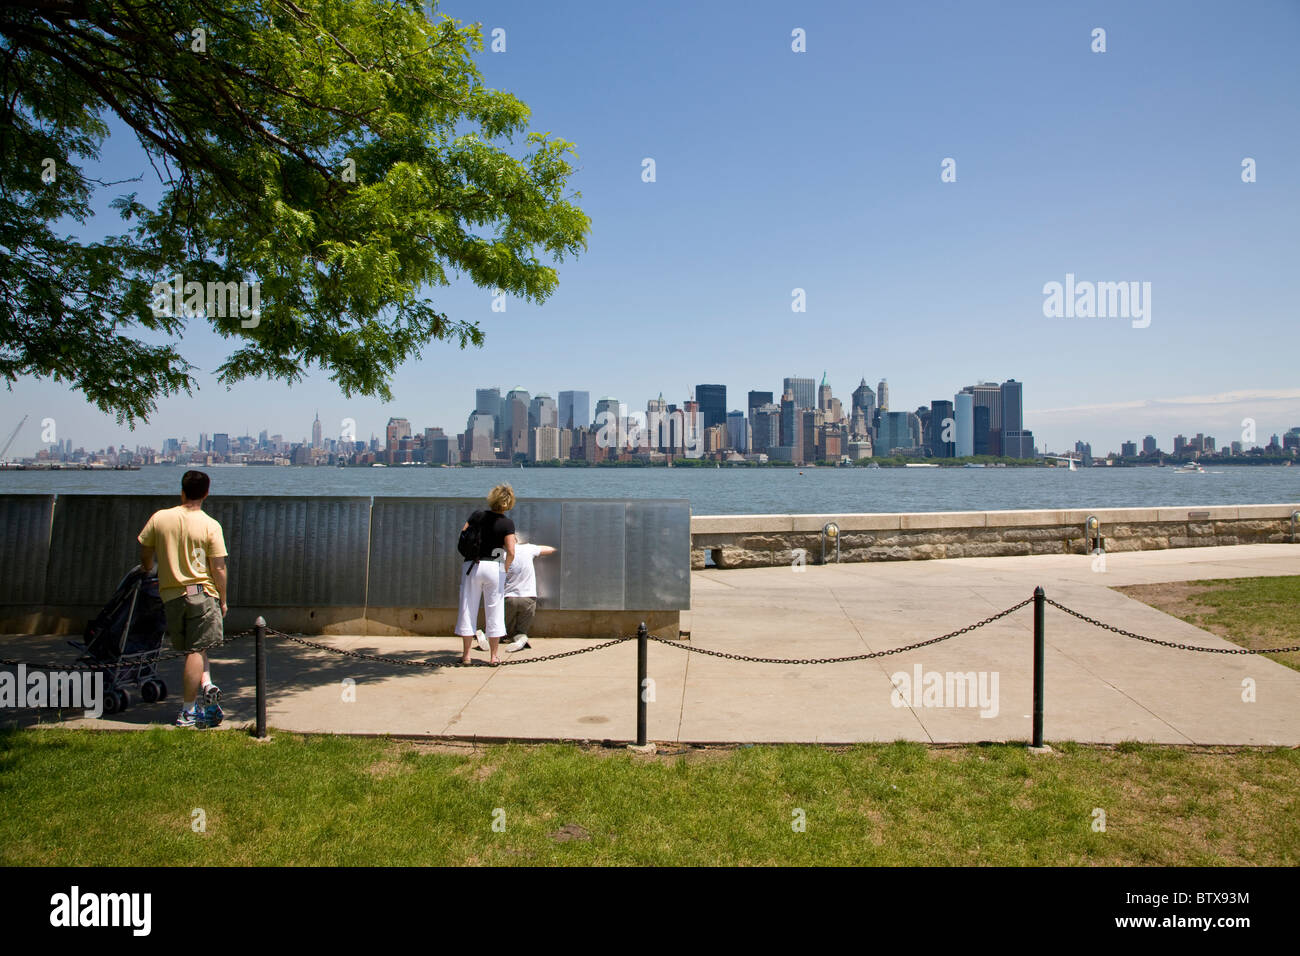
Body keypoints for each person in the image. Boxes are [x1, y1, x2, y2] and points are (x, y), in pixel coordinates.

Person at [137, 470, 228, 728]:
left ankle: (207, 685)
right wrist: (222, 598)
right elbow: (219, 568)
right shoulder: (211, 525)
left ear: (182, 490)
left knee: (196, 648)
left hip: (171, 596)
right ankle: (188, 711)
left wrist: (147, 569)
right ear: (207, 493)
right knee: (196, 650)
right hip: (201, 593)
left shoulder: (160, 518)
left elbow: (145, 550)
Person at [456, 484, 516, 666]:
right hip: (494, 567)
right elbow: (511, 551)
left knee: (468, 608)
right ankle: (493, 656)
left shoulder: (476, 515)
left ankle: (466, 655)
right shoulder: (507, 523)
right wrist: (505, 567)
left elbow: (463, 535)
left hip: (472, 565)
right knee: (495, 610)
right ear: (508, 503)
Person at [501, 535, 556, 652]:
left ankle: (507, 637)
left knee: (504, 629)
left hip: (509, 597)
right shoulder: (528, 548)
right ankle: (521, 637)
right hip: (528, 597)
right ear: (516, 540)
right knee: (522, 629)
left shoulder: (502, 555)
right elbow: (550, 549)